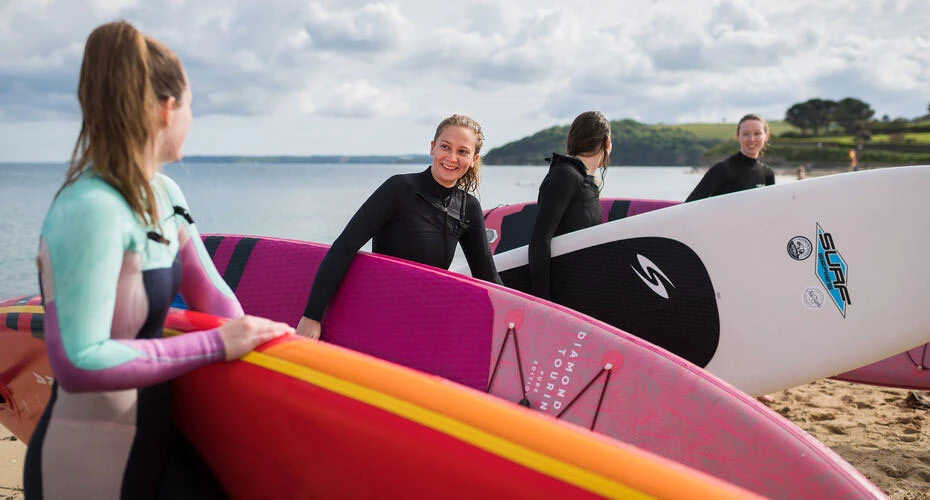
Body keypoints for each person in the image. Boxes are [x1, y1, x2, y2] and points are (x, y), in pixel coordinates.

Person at [23, 21, 293, 500]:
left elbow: (213, 295)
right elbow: (79, 362)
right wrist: (217, 346)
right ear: (168, 109)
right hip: (84, 466)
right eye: (192, 105)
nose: (192, 118)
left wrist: (274, 352)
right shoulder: (89, 208)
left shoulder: (164, 194)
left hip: (155, 437)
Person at [296, 114, 502, 339]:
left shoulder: (468, 207)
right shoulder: (399, 189)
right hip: (382, 313)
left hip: (426, 321)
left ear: (473, 159)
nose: (452, 158)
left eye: (462, 151)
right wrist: (312, 316)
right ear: (432, 148)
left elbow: (487, 275)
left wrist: (522, 316)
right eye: (445, 146)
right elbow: (345, 247)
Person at [528, 111, 611, 301]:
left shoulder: (585, 181)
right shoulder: (565, 174)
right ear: (606, 142)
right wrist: (542, 299)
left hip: (583, 289)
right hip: (564, 293)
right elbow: (540, 238)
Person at [685, 113, 775, 202]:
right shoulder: (722, 169)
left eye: (757, 133)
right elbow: (688, 206)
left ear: (766, 136)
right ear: (738, 137)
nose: (751, 139)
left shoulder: (768, 174)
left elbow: (771, 209)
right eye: (746, 134)